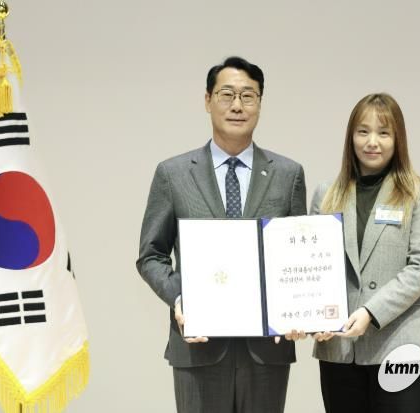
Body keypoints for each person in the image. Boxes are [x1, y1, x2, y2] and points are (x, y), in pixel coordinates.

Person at [136, 56, 306, 413]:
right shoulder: (173, 174)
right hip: (198, 347)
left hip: (266, 349)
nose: (237, 106)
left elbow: (297, 256)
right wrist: (180, 297)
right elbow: (151, 255)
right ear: (207, 100)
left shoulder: (288, 174)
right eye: (226, 95)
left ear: (260, 103)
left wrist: (298, 309)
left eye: (248, 96)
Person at [310, 93, 420, 413]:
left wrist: (370, 312)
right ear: (351, 137)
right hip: (340, 348)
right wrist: (312, 315)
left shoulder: (418, 193)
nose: (372, 142)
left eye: (383, 133)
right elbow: (313, 266)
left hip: (399, 345)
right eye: (363, 131)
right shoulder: (326, 194)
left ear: (398, 139)